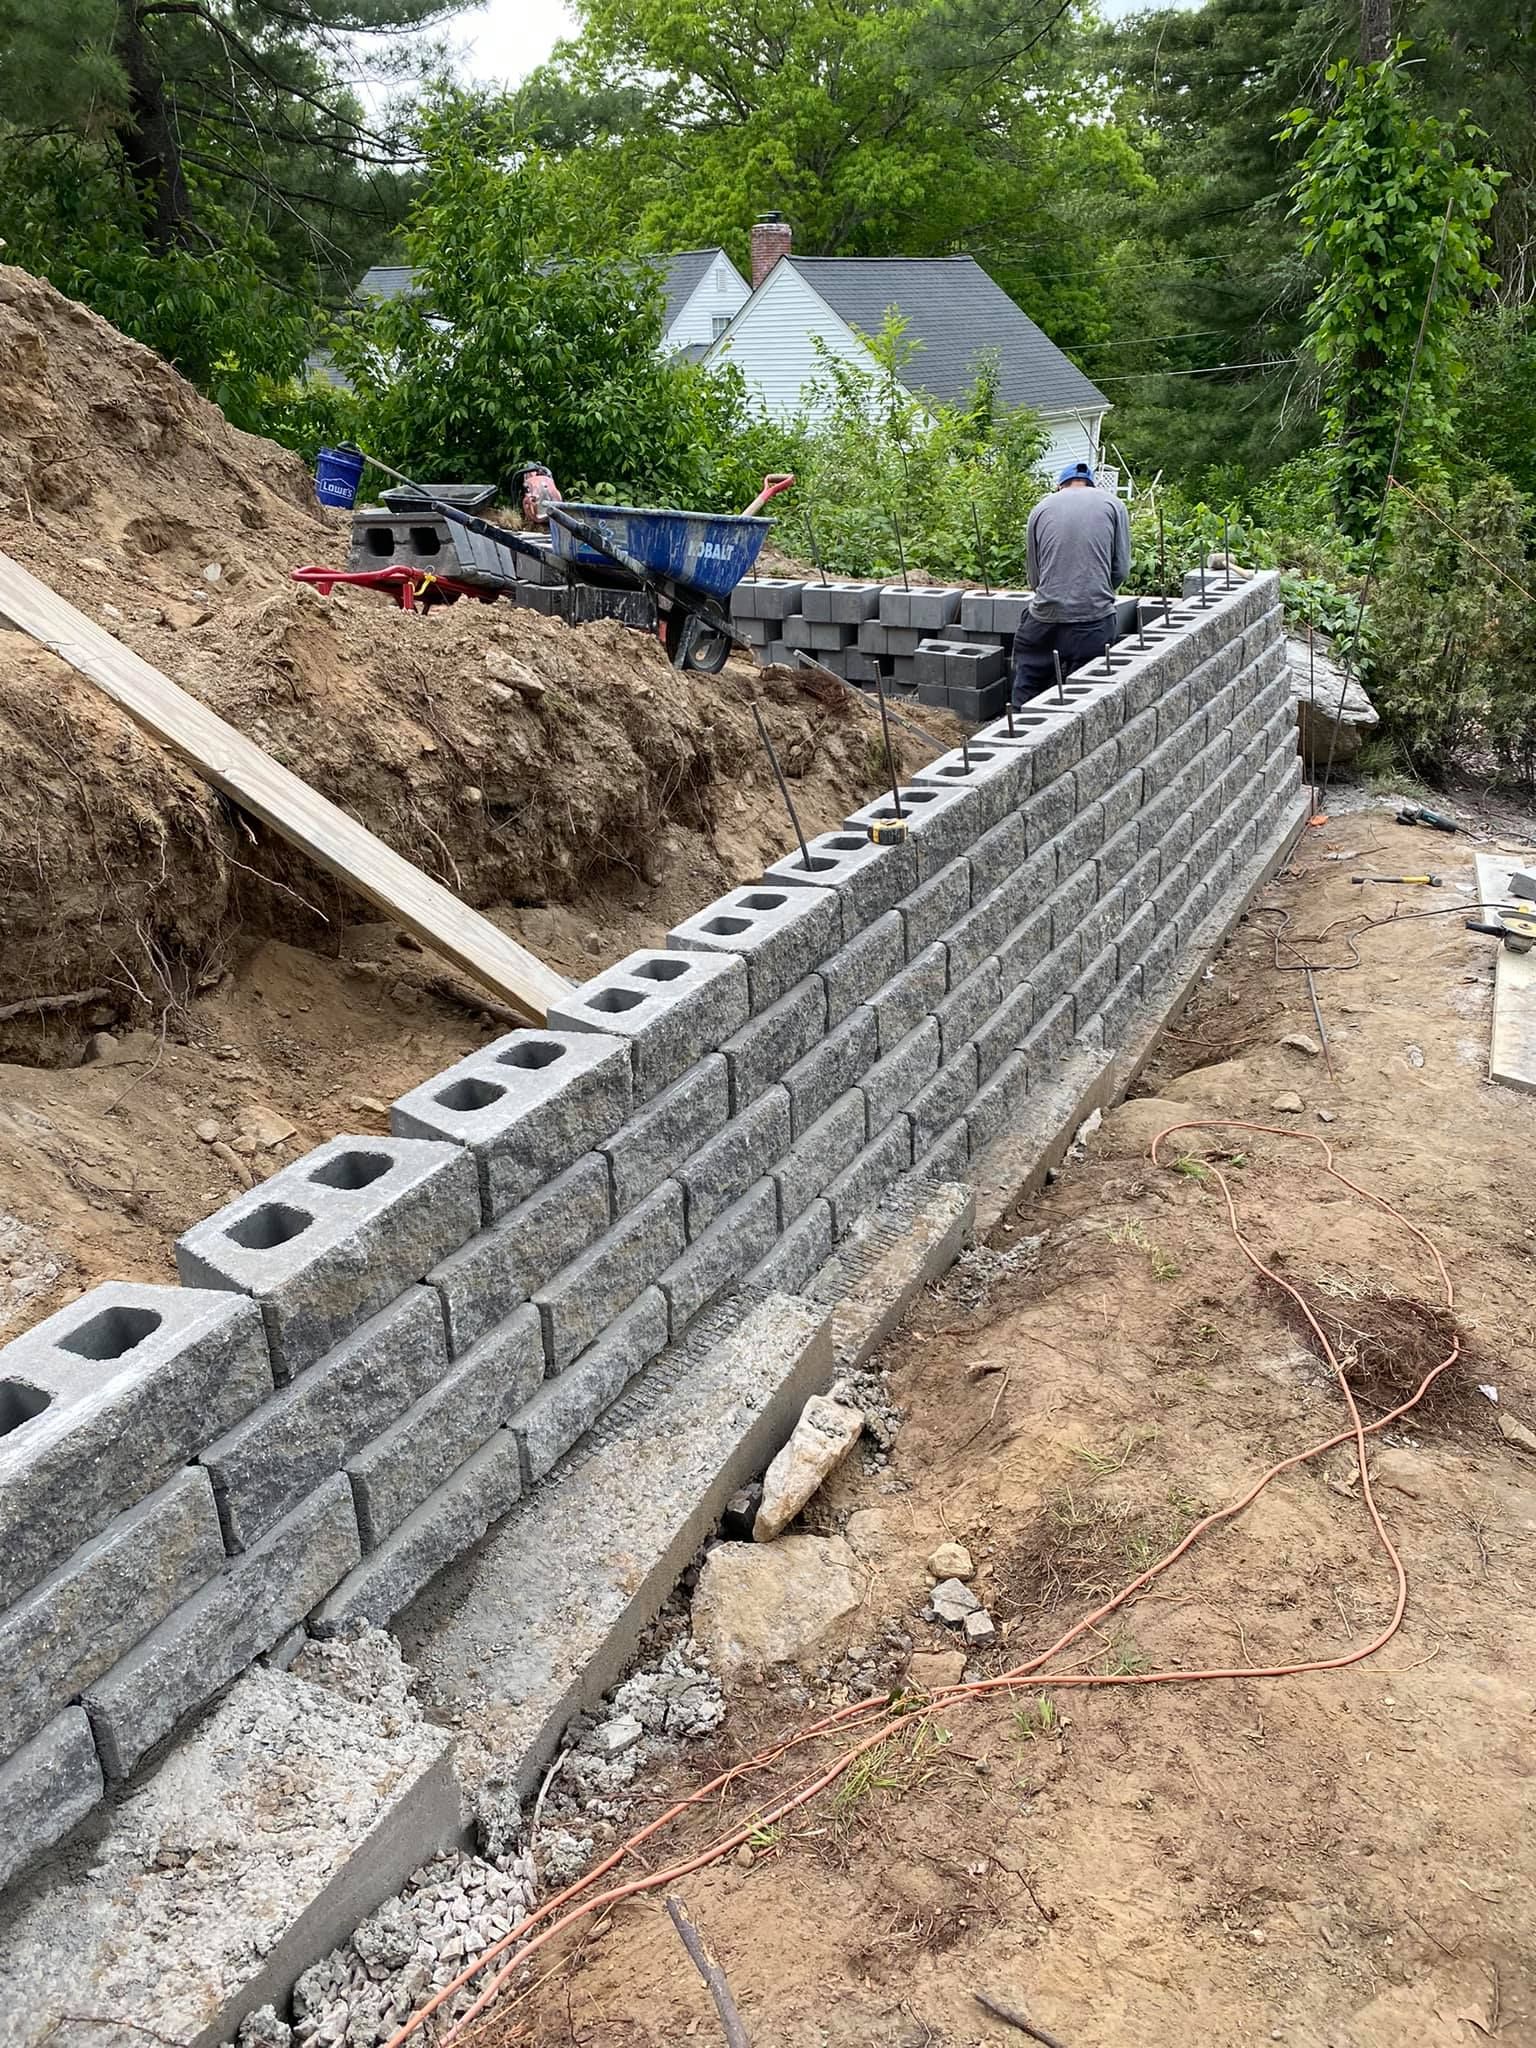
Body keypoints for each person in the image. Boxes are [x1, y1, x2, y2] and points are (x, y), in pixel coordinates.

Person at [1011, 459, 1131, 705]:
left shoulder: (1041, 508)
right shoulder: (1114, 504)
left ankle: (1018, 733)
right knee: (1084, 698)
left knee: (1029, 687)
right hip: (1093, 621)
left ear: (1059, 486)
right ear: (1091, 485)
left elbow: (1034, 576)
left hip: (1043, 621)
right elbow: (1120, 570)